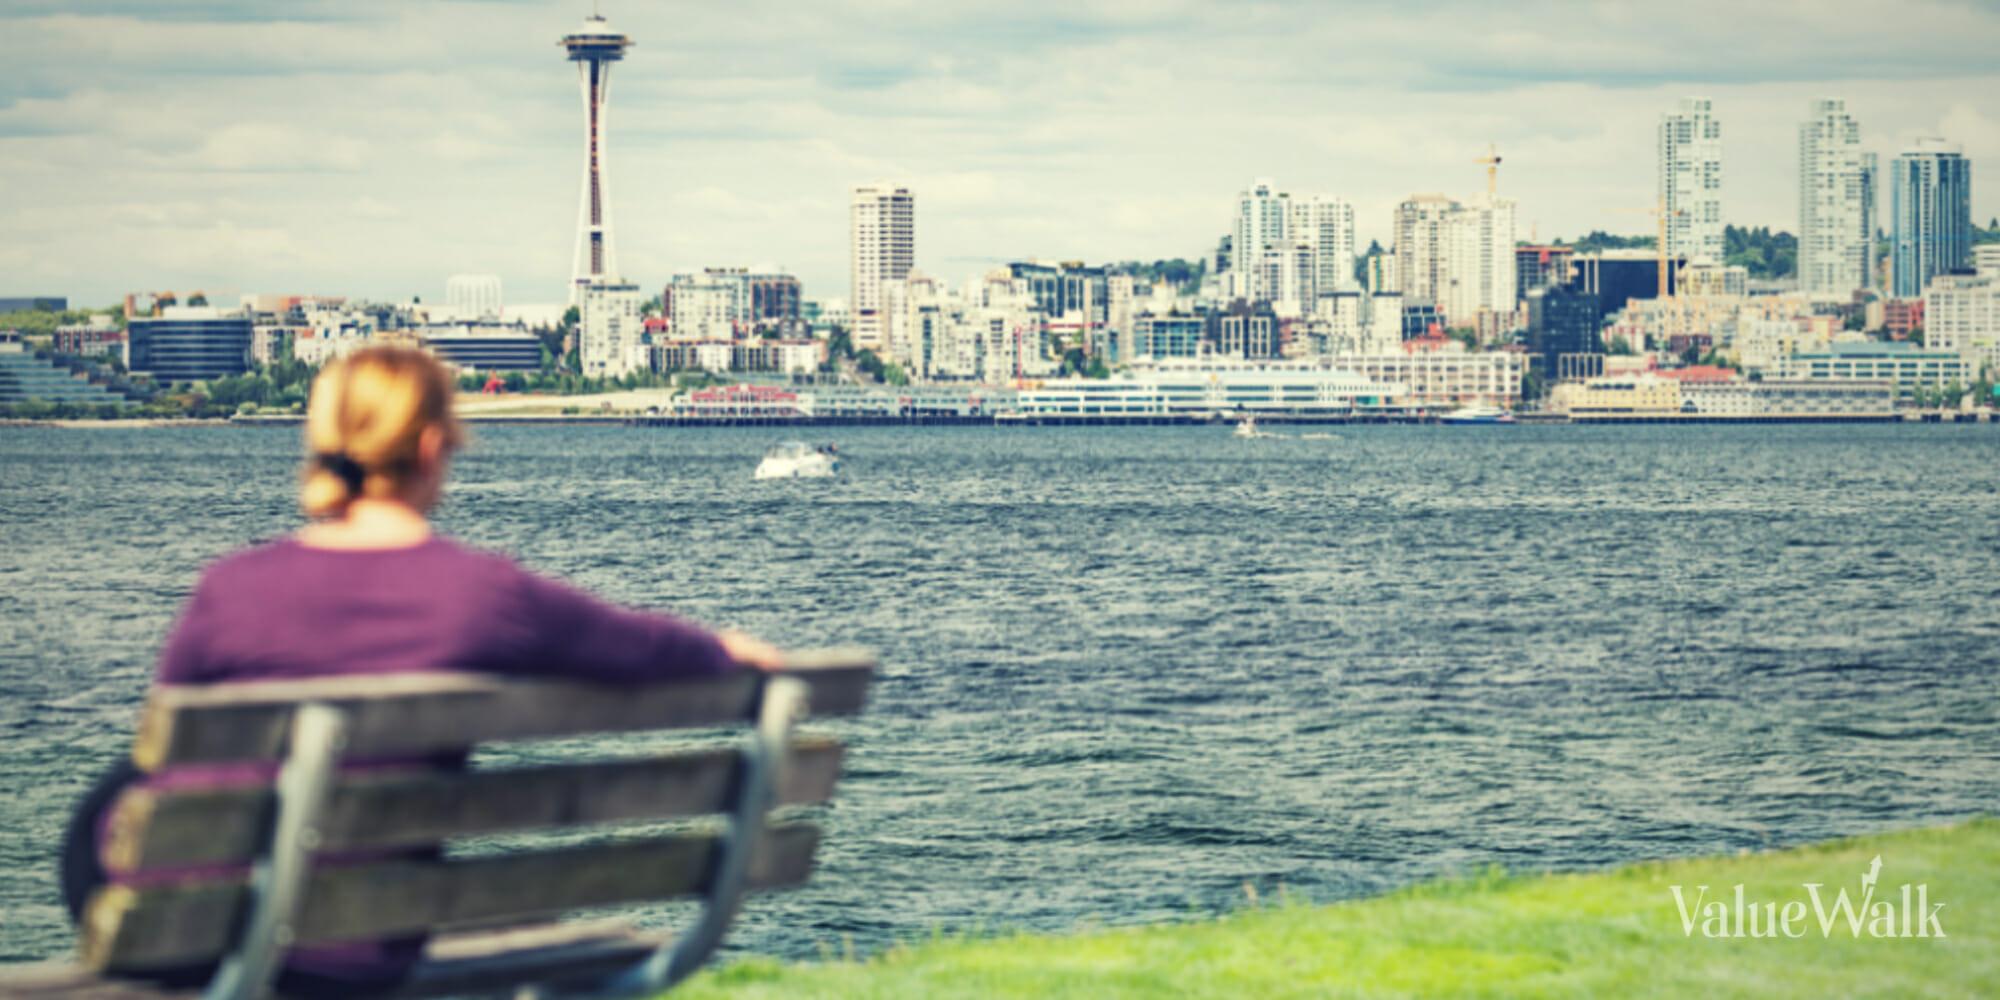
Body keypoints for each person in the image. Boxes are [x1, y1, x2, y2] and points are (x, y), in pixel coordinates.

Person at [69, 345, 784, 995]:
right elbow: (640, 649)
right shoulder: (484, 596)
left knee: (129, 774)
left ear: (324, 446)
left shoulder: (230, 587)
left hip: (180, 931)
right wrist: (723, 650)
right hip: (358, 948)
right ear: (432, 447)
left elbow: (160, 748)